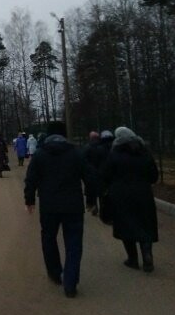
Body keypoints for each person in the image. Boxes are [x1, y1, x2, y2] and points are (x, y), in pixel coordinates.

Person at [24, 123, 95, 298]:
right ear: (65, 135)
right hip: (73, 206)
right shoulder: (75, 153)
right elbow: (90, 177)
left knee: (48, 238)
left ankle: (55, 274)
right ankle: (70, 282)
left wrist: (30, 200)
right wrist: (92, 199)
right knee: (74, 243)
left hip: (49, 206)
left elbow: (31, 179)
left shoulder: (40, 154)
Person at [103, 126, 159, 272]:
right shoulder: (144, 152)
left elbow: (107, 175)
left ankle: (132, 259)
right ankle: (147, 255)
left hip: (121, 195)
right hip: (143, 194)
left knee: (125, 225)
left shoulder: (114, 153)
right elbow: (154, 176)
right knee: (145, 224)